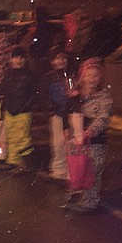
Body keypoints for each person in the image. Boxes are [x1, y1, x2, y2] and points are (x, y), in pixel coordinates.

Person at [65, 57, 112, 214]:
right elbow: (69, 112)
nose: (92, 79)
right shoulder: (76, 95)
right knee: (77, 167)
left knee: (92, 170)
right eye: (88, 75)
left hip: (94, 140)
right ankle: (75, 194)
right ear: (82, 76)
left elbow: (103, 117)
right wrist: (68, 130)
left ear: (100, 78)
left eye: (95, 76)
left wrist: (91, 130)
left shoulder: (104, 97)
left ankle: (90, 202)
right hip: (76, 139)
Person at [0, 45, 40, 170]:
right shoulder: (8, 74)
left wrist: (28, 105)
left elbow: (34, 92)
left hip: (23, 112)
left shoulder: (30, 75)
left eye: (21, 57)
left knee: (23, 138)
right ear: (11, 59)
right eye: (16, 57)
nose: (18, 60)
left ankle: (28, 164)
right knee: (11, 137)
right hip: (10, 111)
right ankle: (13, 161)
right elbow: (3, 90)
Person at [44, 51, 75, 181]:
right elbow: (44, 96)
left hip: (70, 114)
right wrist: (50, 108)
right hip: (57, 114)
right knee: (58, 144)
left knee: (70, 143)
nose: (60, 61)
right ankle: (58, 170)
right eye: (57, 58)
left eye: (63, 58)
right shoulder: (49, 77)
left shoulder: (72, 75)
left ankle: (71, 171)